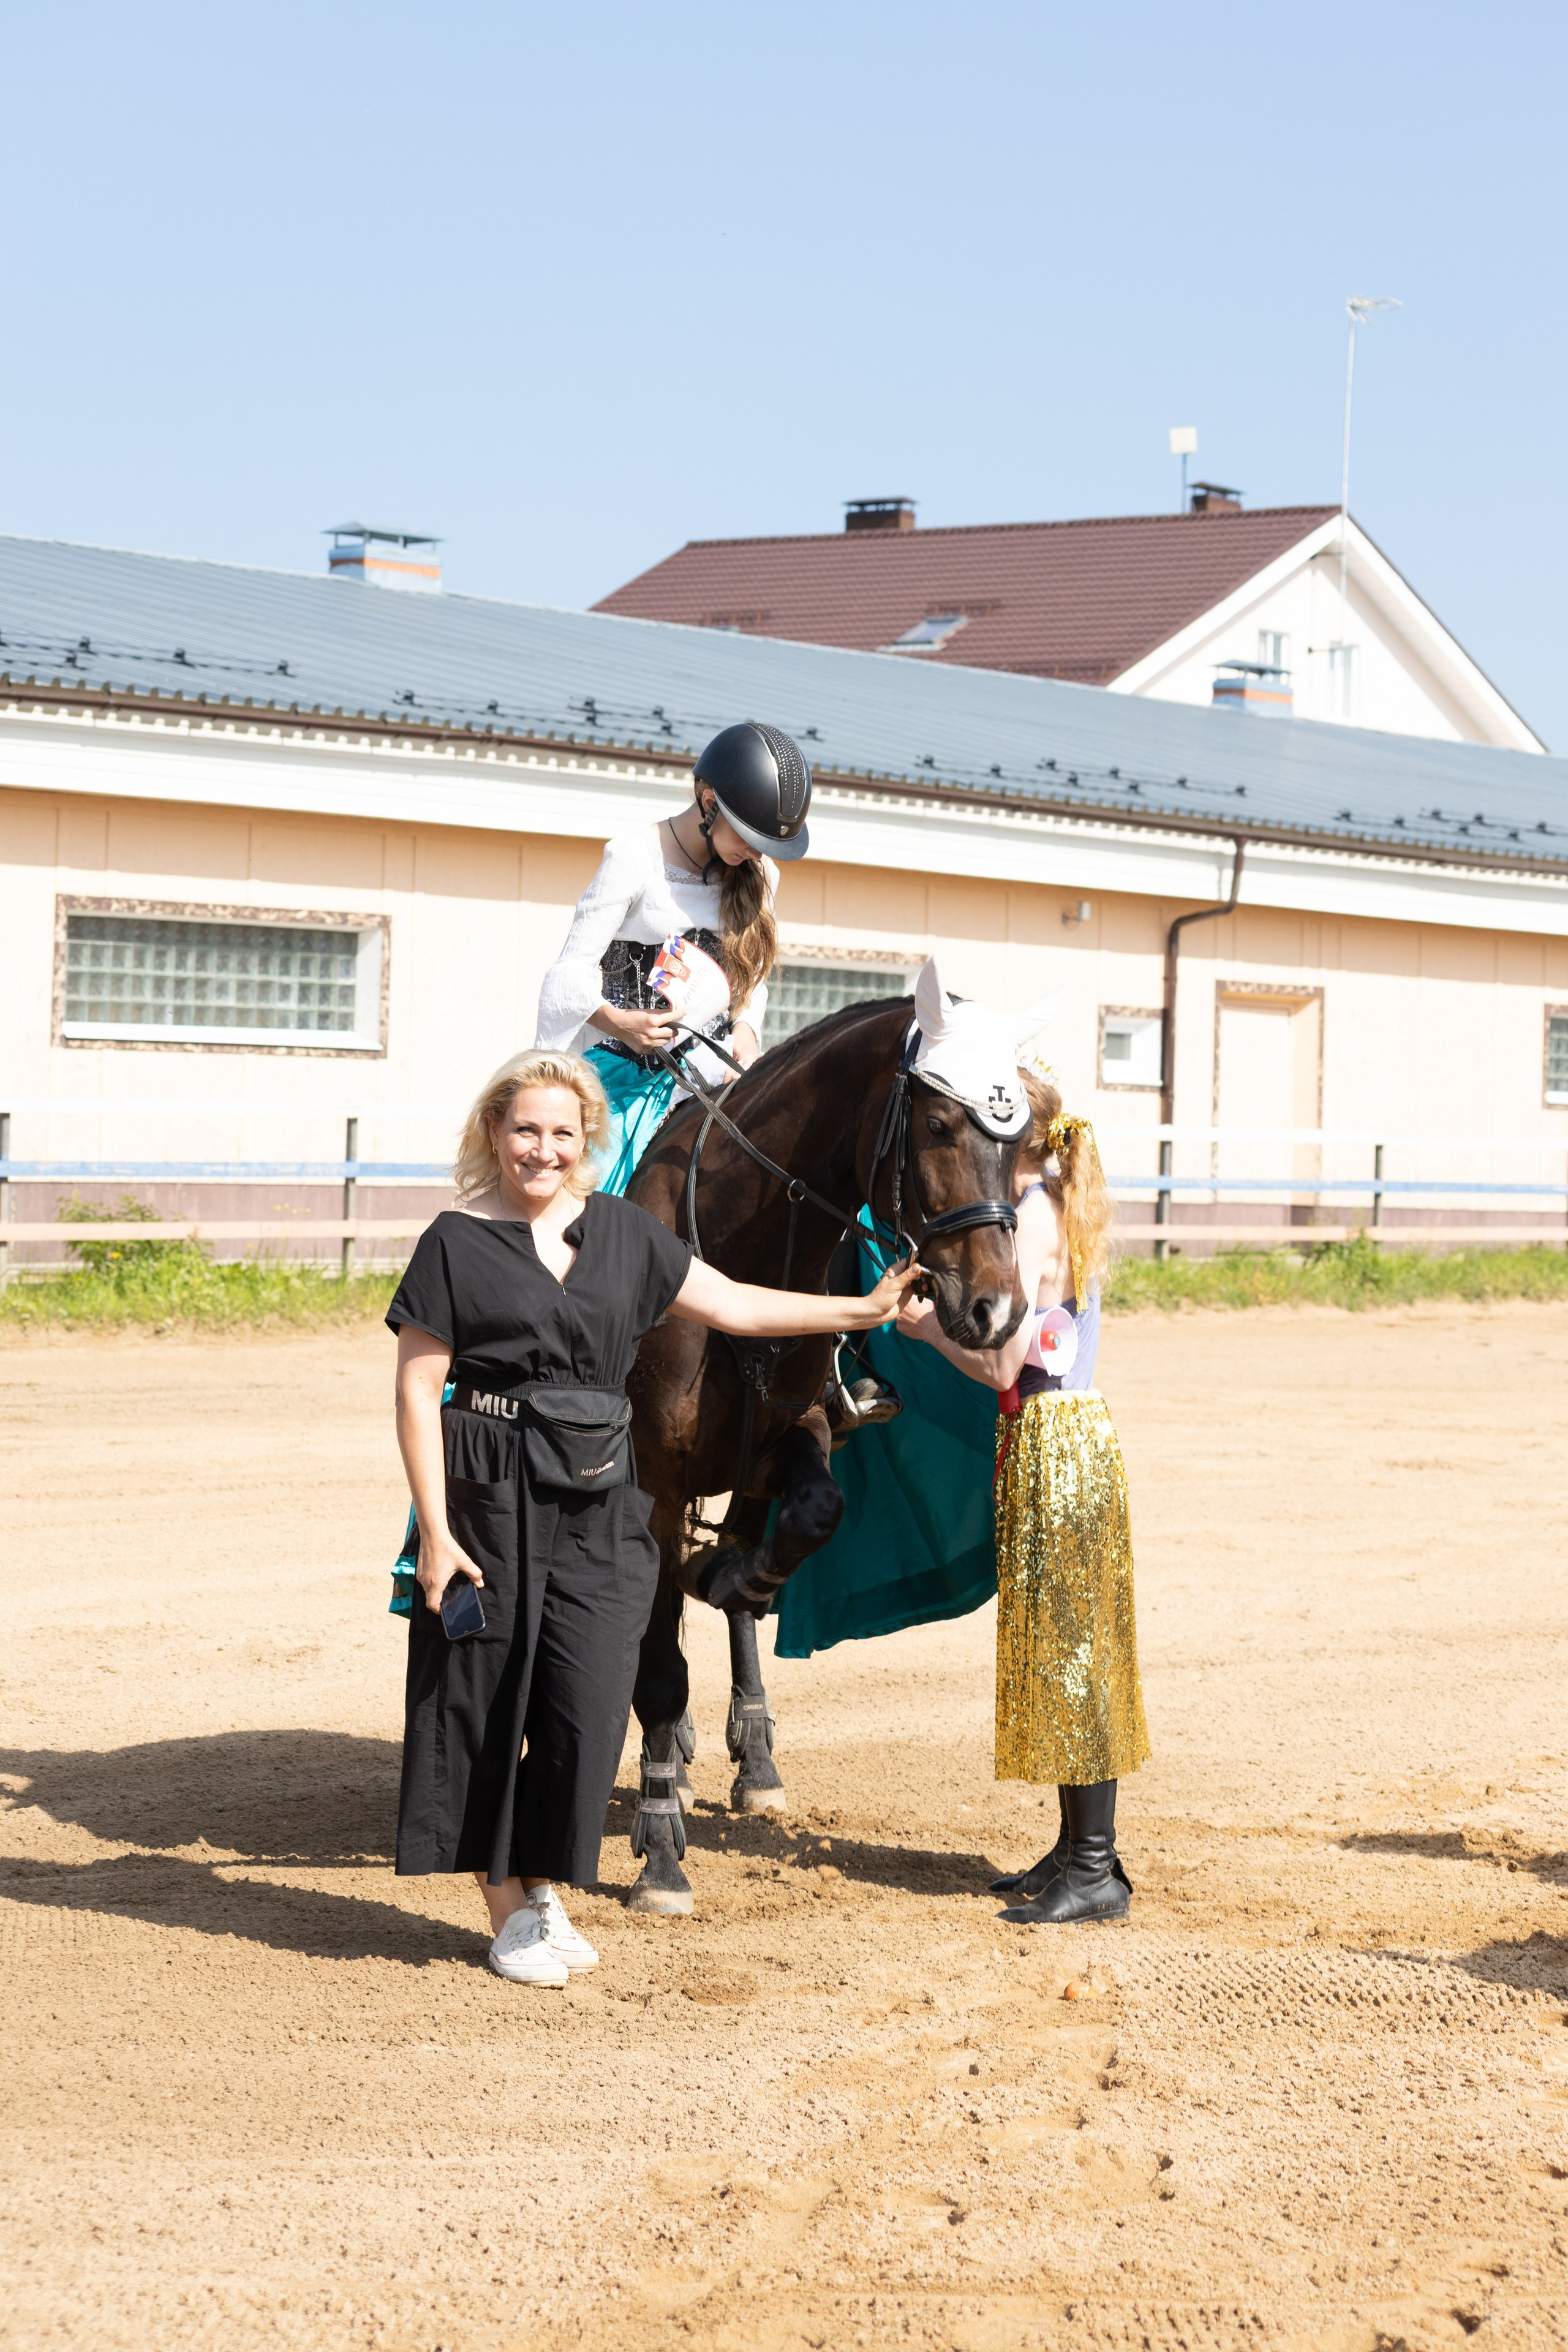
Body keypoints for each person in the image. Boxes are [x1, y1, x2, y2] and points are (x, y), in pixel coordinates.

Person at [388, 1046, 917, 1988]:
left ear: (586, 1138)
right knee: (485, 1700)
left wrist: (863, 1308)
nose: (543, 1150)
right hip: (493, 1483)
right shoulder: (455, 1241)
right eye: (525, 1130)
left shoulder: (626, 1234)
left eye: (561, 1133)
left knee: (587, 1701)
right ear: (495, 1133)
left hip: (600, 1492)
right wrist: (435, 1530)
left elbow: (737, 1304)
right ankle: (510, 1910)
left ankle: (542, 1885)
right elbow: (419, 1390)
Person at [893, 1064, 1150, 1925]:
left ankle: (1095, 1867)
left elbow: (1002, 1366)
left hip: (1051, 1441)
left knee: (1072, 1656)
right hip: (1065, 1436)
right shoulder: (1056, 1203)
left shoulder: (1031, 1218)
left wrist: (926, 1332)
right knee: (1065, 1649)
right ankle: (1077, 1851)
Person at [533, 720, 811, 1196]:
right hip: (623, 1078)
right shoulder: (633, 857)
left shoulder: (761, 873)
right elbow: (568, 974)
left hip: (712, 1077)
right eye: (750, 836)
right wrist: (620, 1023)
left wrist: (745, 1033)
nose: (756, 852)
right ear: (709, 802)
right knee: (585, 1209)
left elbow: (752, 979)